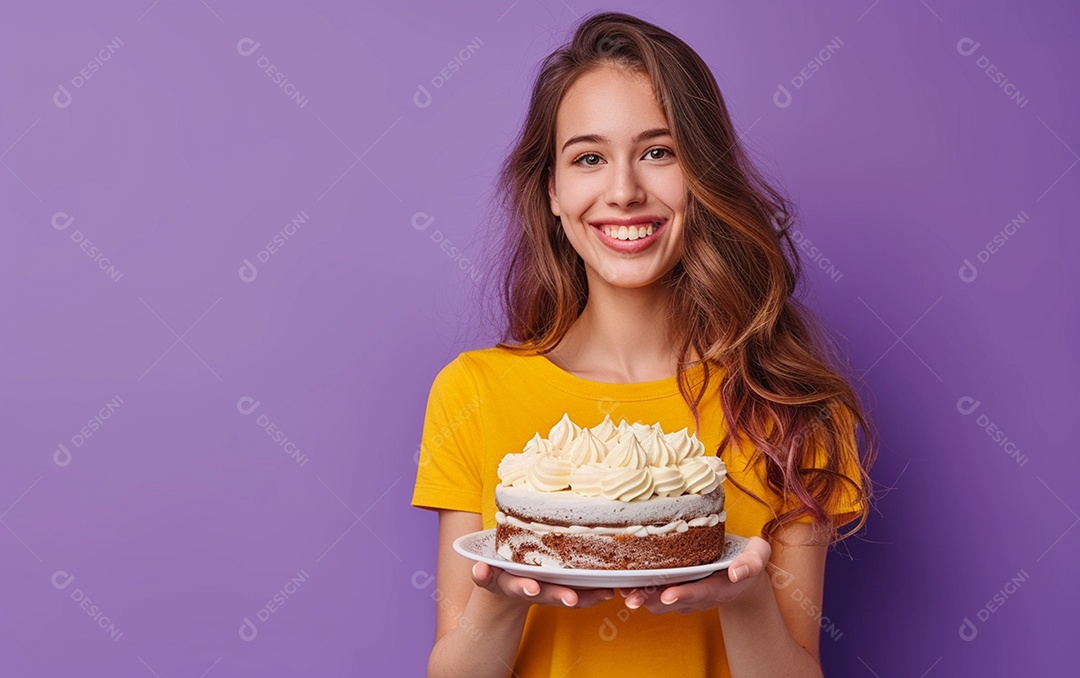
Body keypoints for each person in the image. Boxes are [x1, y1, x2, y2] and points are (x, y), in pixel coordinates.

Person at [411, 10, 875, 678]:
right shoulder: (473, 393)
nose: (624, 192)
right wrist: (500, 596)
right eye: (589, 158)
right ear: (552, 189)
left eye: (659, 152)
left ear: (703, 174)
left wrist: (744, 601)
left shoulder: (794, 406)